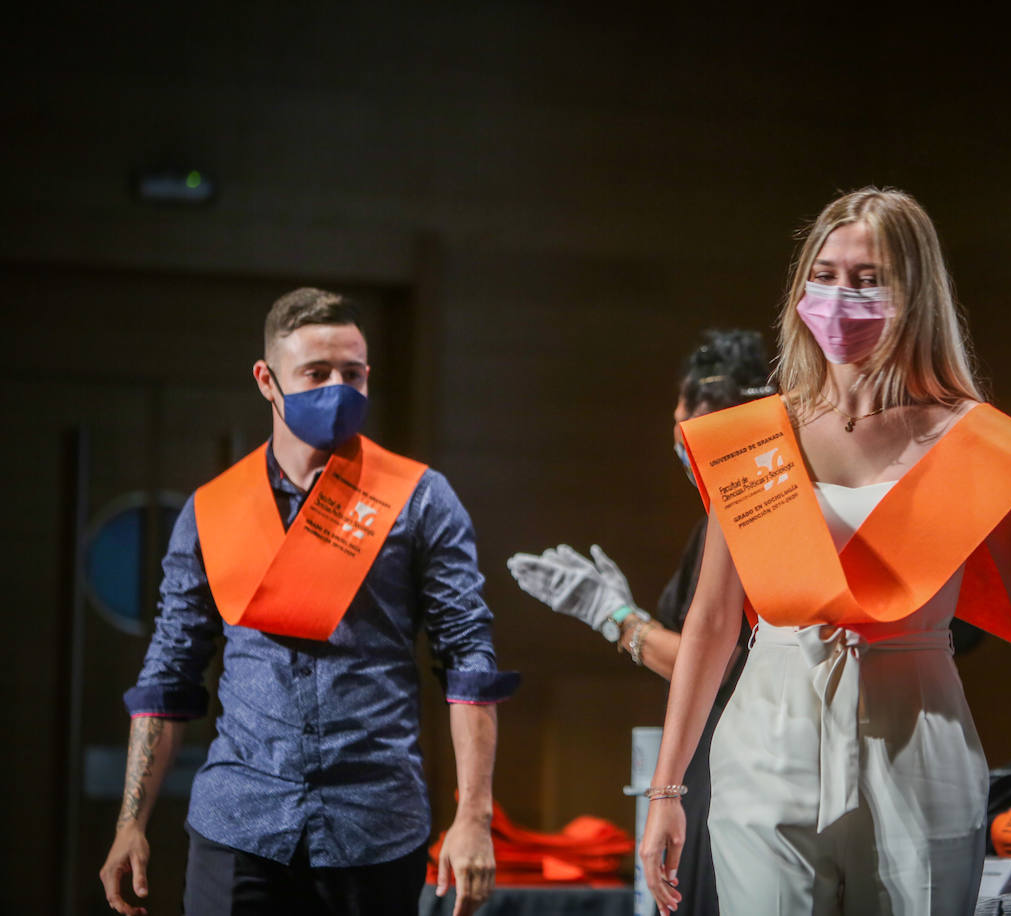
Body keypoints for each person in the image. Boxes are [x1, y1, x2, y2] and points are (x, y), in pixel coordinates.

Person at [639, 188, 1011, 916]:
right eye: (825, 273)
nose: (840, 296)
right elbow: (713, 623)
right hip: (765, 744)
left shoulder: (973, 441)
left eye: (868, 278)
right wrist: (667, 790)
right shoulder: (751, 438)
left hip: (921, 746)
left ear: (915, 293)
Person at [97, 288, 519, 916]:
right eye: (316, 374)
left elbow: (469, 663)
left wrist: (475, 819)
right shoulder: (212, 511)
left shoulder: (420, 500)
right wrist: (130, 823)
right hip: (239, 822)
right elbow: (169, 674)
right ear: (268, 381)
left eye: (353, 374)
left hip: (375, 826)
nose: (338, 389)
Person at [506, 329, 772, 916]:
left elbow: (717, 659)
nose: (675, 424)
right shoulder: (736, 514)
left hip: (738, 773)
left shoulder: (746, 510)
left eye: (683, 409)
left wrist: (617, 619)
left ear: (709, 415)